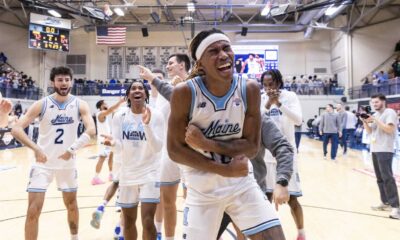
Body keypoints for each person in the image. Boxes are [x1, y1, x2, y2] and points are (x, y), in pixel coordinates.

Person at [167, 29, 285, 239]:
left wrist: (206, 143)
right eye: (213, 51)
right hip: (203, 191)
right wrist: (224, 169)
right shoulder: (184, 92)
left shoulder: (249, 88)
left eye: (226, 48)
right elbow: (175, 150)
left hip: (241, 184)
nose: (223, 55)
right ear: (200, 64)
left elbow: (250, 146)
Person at [11, 66, 96, 240]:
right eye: (60, 80)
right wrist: (36, 148)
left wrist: (73, 149)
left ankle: (75, 238)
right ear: (53, 82)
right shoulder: (42, 104)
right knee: (33, 210)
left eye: (66, 79)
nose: (64, 83)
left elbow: (91, 130)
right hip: (43, 164)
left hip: (67, 164)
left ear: (71, 81)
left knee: (72, 205)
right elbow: (16, 129)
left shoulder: (80, 104)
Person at [103, 80, 164, 239]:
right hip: (127, 173)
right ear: (128, 95)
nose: (137, 90)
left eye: (141, 88)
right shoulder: (120, 115)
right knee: (129, 221)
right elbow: (118, 148)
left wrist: (147, 125)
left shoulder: (156, 115)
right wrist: (113, 143)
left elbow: (158, 147)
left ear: (146, 94)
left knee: (148, 220)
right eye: (133, 88)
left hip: (150, 173)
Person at [139, 54, 191, 240]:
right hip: (168, 151)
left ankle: (189, 234)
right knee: (167, 200)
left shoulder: (195, 84)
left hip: (190, 151)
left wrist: (180, 86)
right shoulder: (164, 90)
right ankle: (166, 236)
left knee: (191, 201)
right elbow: (159, 118)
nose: (167, 66)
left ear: (182, 65)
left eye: (171, 63)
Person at [260, 69, 306, 240]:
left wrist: (279, 103)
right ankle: (268, 235)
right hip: (266, 156)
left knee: (292, 198)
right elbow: (256, 119)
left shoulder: (290, 96)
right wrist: (268, 104)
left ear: (278, 82)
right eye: (264, 84)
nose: (267, 88)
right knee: (266, 199)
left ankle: (301, 233)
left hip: (286, 155)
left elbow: (298, 120)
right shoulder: (262, 98)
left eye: (270, 84)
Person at [362, 94, 400, 219]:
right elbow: (370, 132)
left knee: (388, 178)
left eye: (377, 102)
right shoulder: (376, 115)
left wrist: (375, 119)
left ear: (383, 101)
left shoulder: (390, 112)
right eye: (373, 102)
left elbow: (389, 129)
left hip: (385, 149)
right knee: (380, 179)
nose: (374, 104)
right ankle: (385, 202)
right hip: (375, 149)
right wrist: (364, 122)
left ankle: (396, 207)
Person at [91, 99, 125, 185]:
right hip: (103, 141)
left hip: (108, 140)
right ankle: (95, 178)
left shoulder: (104, 115)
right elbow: (111, 110)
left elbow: (111, 111)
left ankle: (111, 174)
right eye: (104, 104)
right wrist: (120, 102)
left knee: (111, 157)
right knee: (101, 159)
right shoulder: (100, 114)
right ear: (100, 106)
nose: (106, 105)